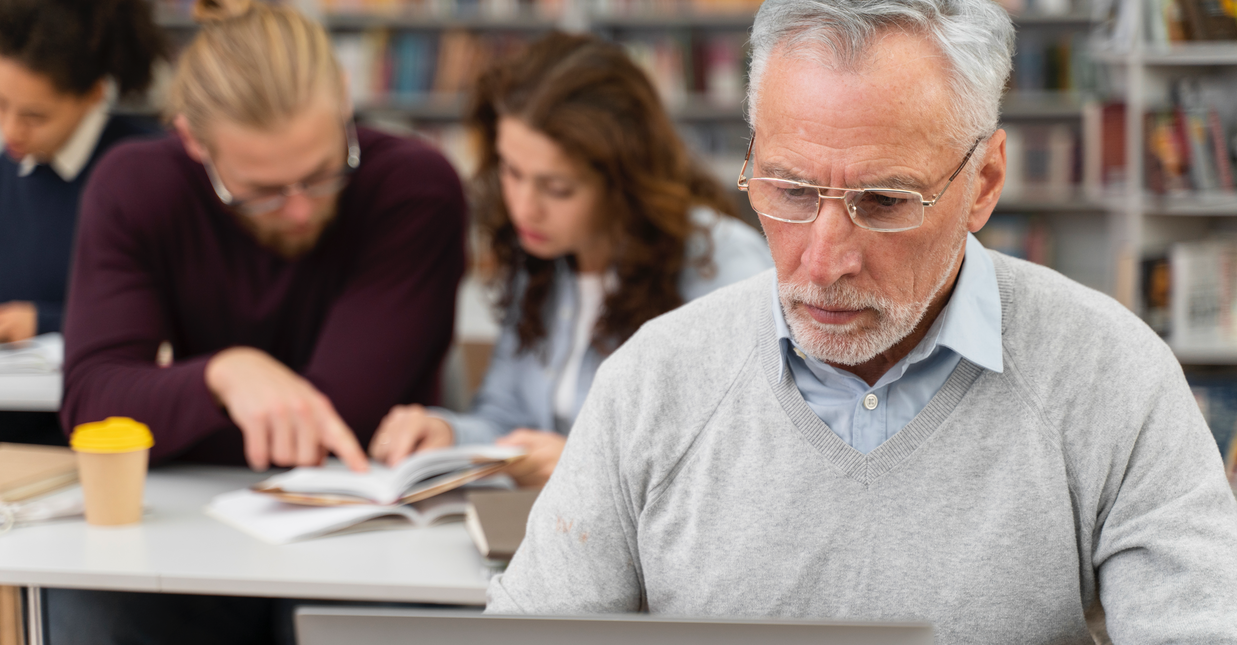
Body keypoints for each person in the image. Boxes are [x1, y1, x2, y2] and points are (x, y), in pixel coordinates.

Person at [487, 0, 1237, 641]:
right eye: (789, 190)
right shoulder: (651, 384)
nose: (824, 258)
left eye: (883, 202)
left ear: (985, 182)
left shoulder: (1112, 379)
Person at [54, 0, 465, 641]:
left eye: (324, 174)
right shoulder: (133, 188)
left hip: (366, 534)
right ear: (193, 141)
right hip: (191, 529)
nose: (299, 212)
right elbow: (90, 407)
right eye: (261, 190)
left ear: (344, 101)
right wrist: (224, 376)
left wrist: (166, 407)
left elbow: (336, 425)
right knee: (89, 604)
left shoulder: (414, 187)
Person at [369, 32, 773, 486]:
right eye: (511, 171)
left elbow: (753, 458)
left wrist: (589, 471)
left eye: (557, 188)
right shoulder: (543, 256)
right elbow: (507, 419)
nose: (524, 207)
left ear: (623, 181)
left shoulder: (723, 265)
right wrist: (448, 434)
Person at [0, 0, 165, 453]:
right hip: (9, 412)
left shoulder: (146, 170)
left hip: (105, 423)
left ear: (93, 94)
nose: (10, 130)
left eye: (34, 116)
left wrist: (44, 320)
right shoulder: (5, 174)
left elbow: (175, 321)